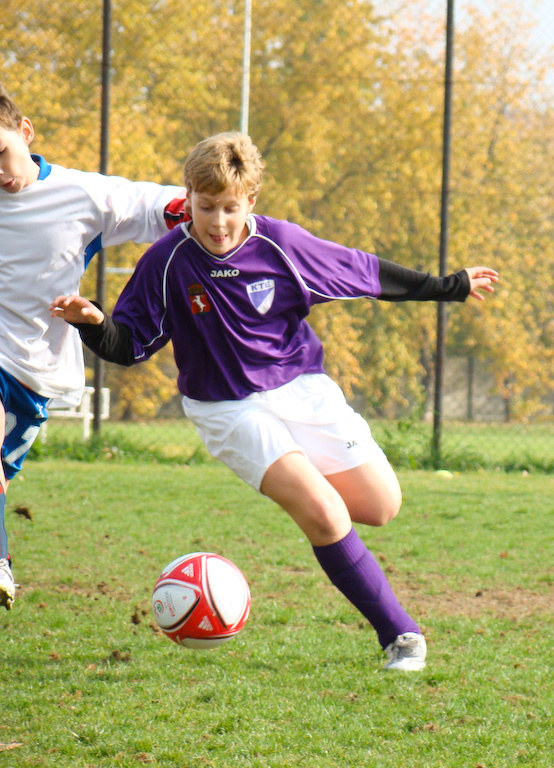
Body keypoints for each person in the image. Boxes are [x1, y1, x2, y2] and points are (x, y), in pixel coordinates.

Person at [51, 132, 498, 671]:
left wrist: (448, 286)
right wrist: (95, 324)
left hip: (300, 388)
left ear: (251, 202)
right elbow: (130, 346)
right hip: (226, 407)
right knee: (326, 513)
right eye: (205, 207)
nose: (217, 222)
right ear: (187, 197)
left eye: (230, 209)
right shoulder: (166, 261)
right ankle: (400, 636)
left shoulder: (282, 245)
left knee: (382, 506)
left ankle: (306, 487)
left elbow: (366, 272)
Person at [0, 85, 187, 609]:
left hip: (33, 373)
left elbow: (164, 206)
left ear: (26, 132)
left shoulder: (81, 196)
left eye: (0, 154)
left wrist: (211, 215)